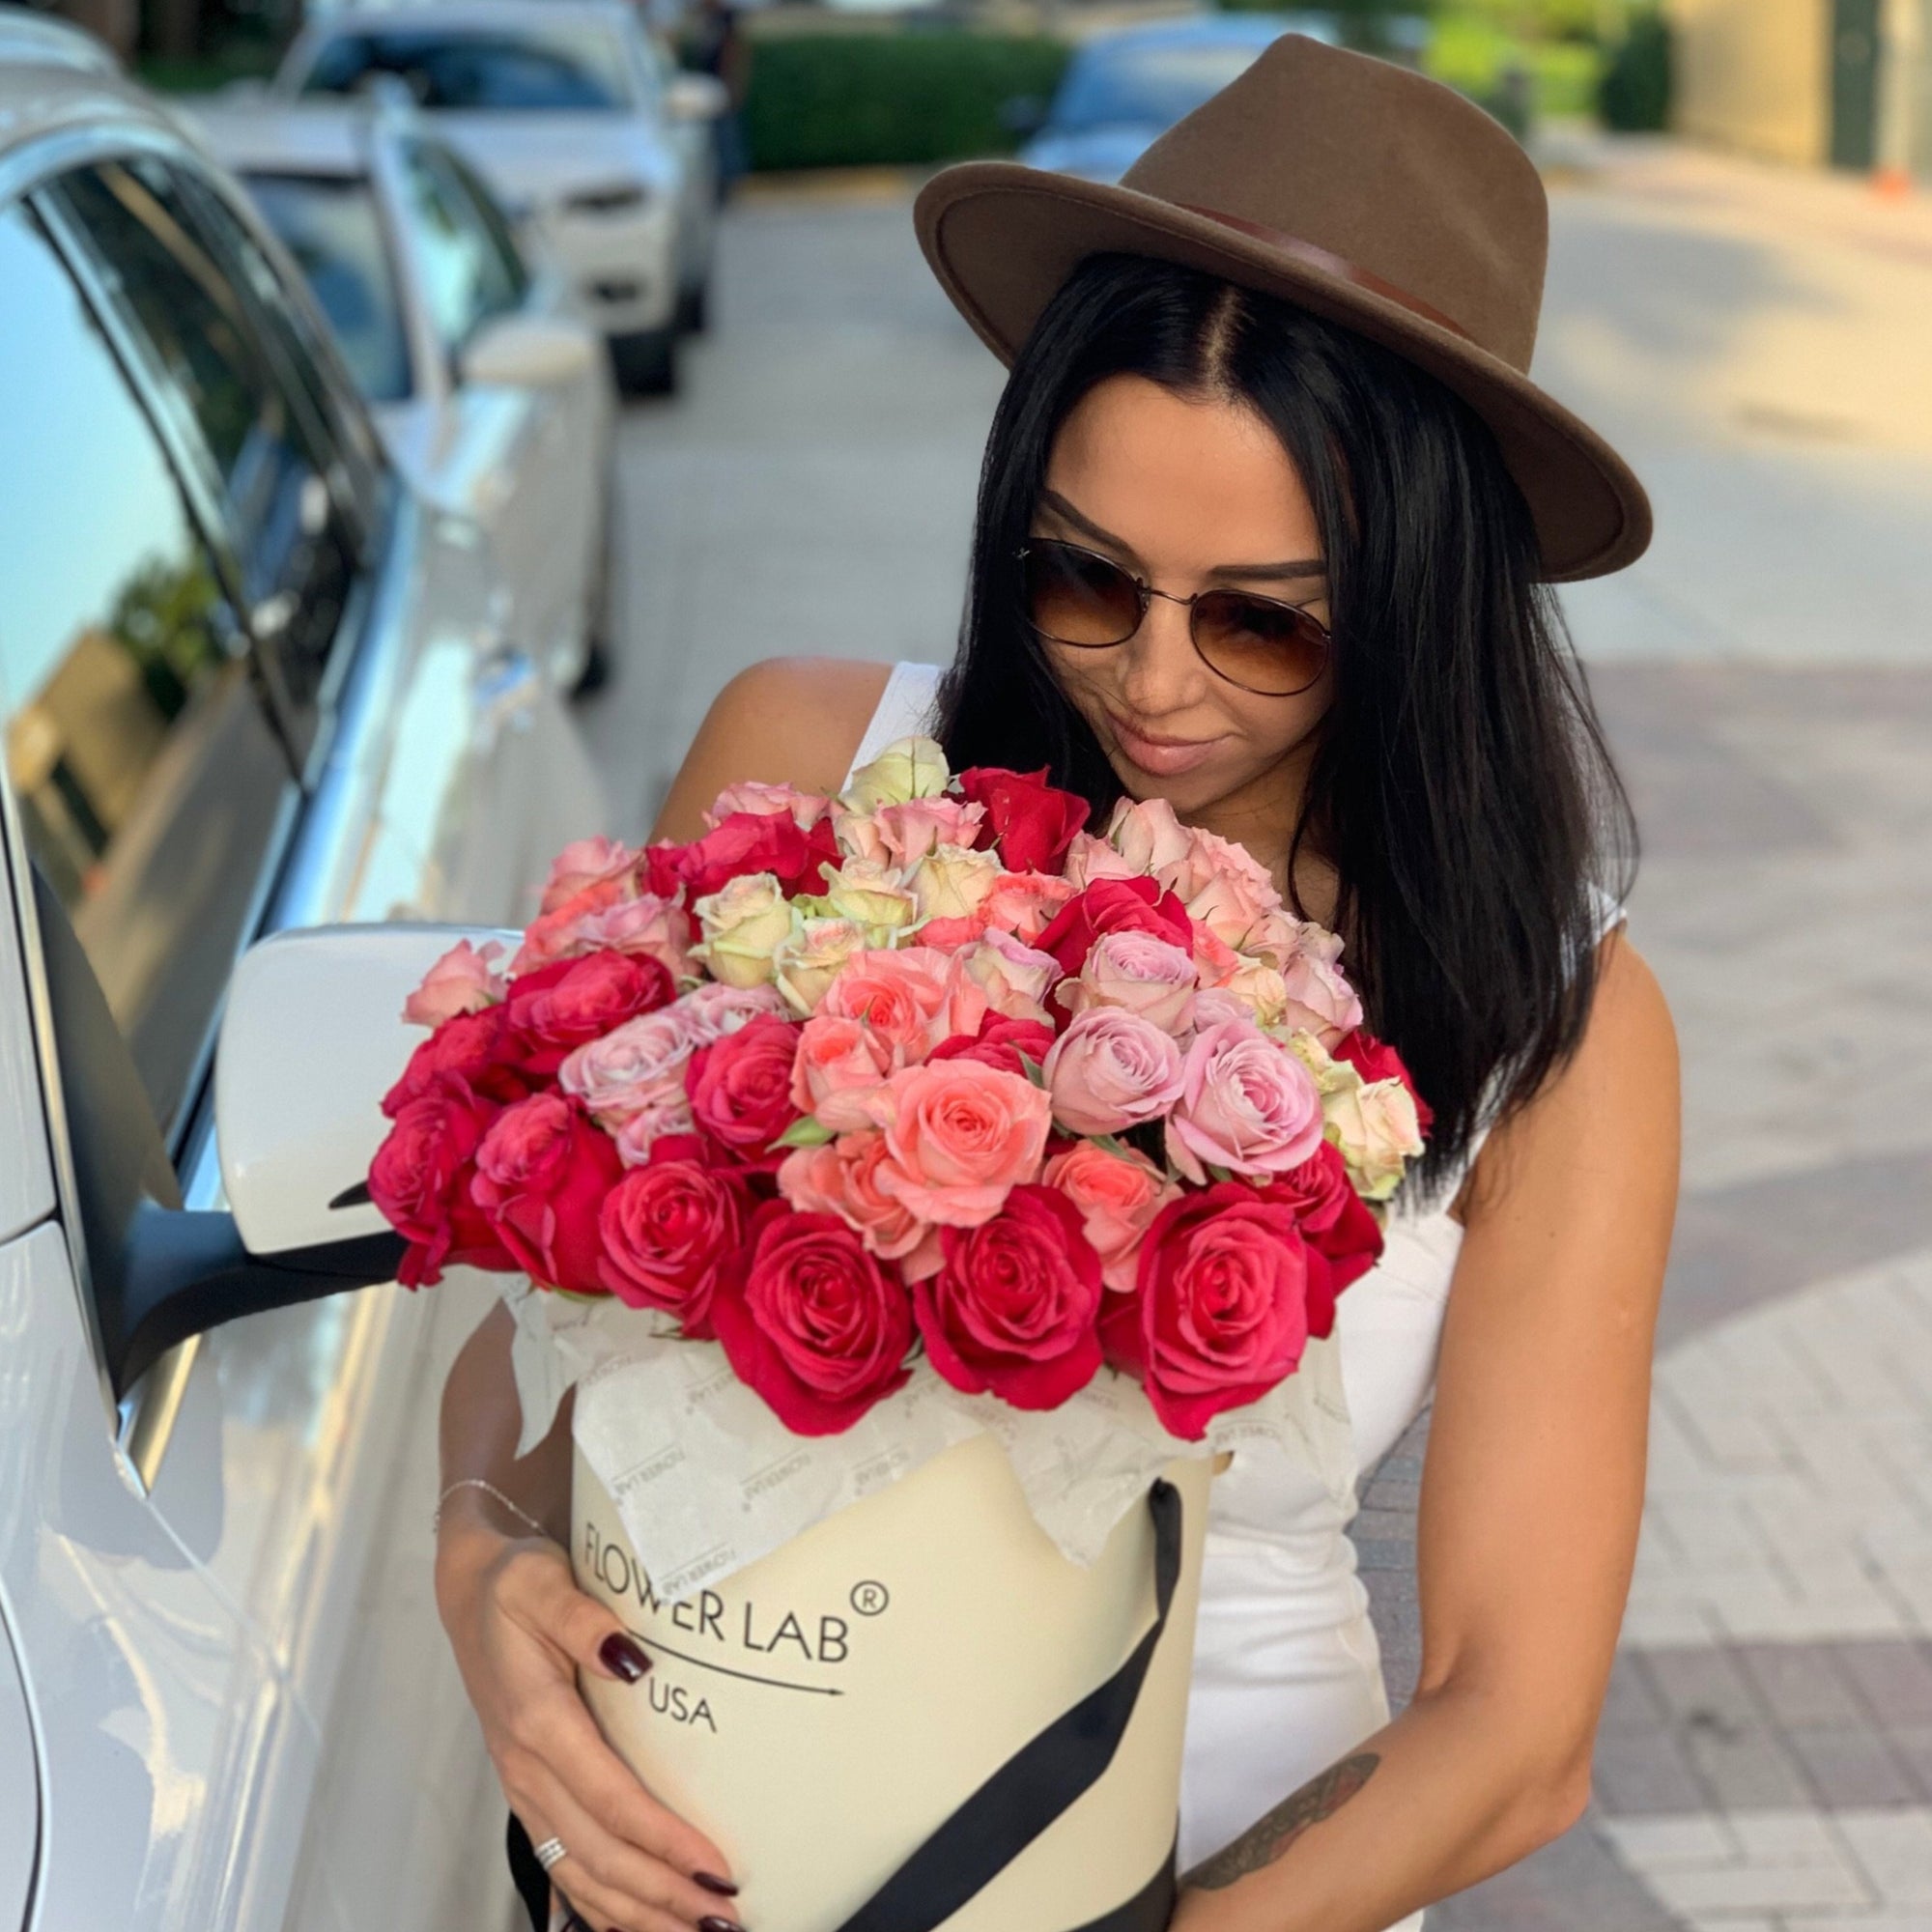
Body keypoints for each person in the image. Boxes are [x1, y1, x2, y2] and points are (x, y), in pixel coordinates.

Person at [432, 35, 1680, 1932]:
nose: (1153, 685)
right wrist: (479, 1567)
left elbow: (1515, 1729)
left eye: (1263, 618)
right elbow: (545, 1340)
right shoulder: (806, 773)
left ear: (1421, 596)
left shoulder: (1554, 1017)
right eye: (1083, 579)